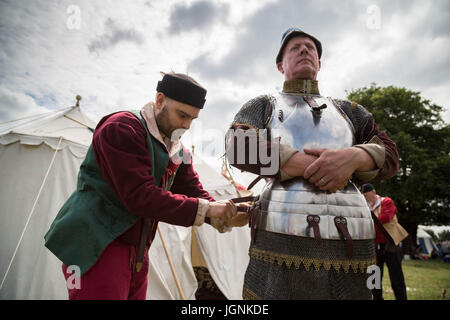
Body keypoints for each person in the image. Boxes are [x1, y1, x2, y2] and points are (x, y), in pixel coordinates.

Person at [225, 27, 399, 299]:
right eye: (294, 47)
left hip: (352, 240)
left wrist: (353, 157)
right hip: (280, 232)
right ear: (280, 64)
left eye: (311, 48)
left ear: (319, 63)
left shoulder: (349, 111)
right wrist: (307, 164)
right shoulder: (265, 104)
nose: (304, 50)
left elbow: (389, 154)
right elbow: (237, 145)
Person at [44, 72, 249, 300]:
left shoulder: (179, 150)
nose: (187, 125)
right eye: (182, 115)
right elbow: (139, 196)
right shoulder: (122, 128)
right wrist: (210, 209)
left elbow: (194, 192)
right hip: (95, 244)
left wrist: (227, 215)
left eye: (192, 119)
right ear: (160, 100)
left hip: (137, 251)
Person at [361, 183, 408, 300]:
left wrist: (368, 223)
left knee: (396, 279)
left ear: (374, 192)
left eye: (367, 195)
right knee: (374, 279)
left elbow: (386, 218)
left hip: (390, 245)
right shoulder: (365, 208)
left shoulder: (386, 201)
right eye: (364, 196)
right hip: (375, 247)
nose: (366, 198)